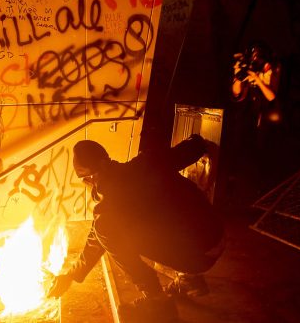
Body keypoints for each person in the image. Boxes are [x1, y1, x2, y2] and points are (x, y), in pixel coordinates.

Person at [47, 136, 225, 322]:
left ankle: (157, 300)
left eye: (90, 176)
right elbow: (193, 147)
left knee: (108, 232)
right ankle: (188, 279)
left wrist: (69, 276)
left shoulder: (109, 207)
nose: (90, 182)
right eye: (85, 179)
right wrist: (201, 147)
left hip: (198, 255)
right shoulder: (147, 161)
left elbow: (97, 238)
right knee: (146, 228)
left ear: (104, 164)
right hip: (217, 236)